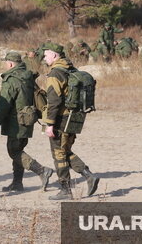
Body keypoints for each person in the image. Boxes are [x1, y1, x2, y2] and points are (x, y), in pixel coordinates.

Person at [41, 42, 99, 200]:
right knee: (65, 150)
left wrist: (50, 124)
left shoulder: (55, 74)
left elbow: (53, 101)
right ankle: (88, 176)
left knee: (58, 154)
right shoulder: (71, 69)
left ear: (54, 55)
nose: (44, 58)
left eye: (46, 55)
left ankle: (65, 190)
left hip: (61, 119)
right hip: (75, 117)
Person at [0, 52, 54, 192]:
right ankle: (17, 183)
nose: (5, 65)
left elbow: (4, 104)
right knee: (18, 150)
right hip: (28, 119)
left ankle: (42, 171)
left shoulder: (12, 79)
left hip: (16, 122)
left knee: (13, 151)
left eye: (6, 62)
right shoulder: (28, 77)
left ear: (11, 64)